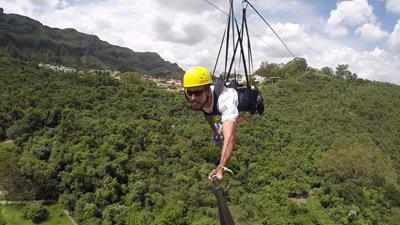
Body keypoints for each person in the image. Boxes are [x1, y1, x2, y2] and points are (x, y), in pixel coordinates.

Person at [182, 66, 263, 181]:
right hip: (217, 102)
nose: (193, 97)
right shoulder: (201, 100)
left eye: (198, 93)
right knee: (211, 115)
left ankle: (258, 99)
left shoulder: (225, 101)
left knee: (252, 105)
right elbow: (207, 112)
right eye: (189, 92)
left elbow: (229, 138)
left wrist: (221, 168)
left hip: (248, 101)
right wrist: (215, 131)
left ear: (208, 92)